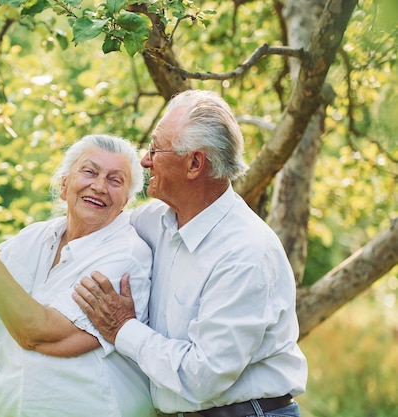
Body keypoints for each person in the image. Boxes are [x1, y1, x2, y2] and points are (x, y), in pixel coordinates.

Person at [73, 90, 308, 417]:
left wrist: (122, 328)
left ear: (195, 163)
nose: (145, 160)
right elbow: (90, 234)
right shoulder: (153, 222)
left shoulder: (245, 252)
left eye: (155, 148)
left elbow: (202, 377)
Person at [0, 134, 156, 417]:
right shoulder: (36, 236)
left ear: (125, 201)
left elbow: (38, 334)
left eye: (115, 180)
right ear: (64, 185)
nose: (99, 186)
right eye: (89, 172)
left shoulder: (125, 256)